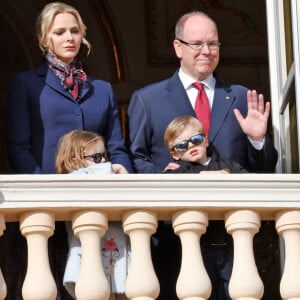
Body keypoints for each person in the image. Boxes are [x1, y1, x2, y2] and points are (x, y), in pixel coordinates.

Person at [126, 10, 278, 300]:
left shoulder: (239, 96)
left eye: (213, 44)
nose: (206, 51)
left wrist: (258, 140)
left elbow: (264, 171)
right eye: (197, 44)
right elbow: (135, 159)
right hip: (174, 237)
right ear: (177, 47)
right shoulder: (147, 99)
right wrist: (165, 178)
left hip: (236, 237)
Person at [4, 2, 132, 299]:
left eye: (74, 31)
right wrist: (43, 189)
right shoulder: (25, 85)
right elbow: (19, 145)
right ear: (43, 39)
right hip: (45, 208)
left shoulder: (102, 90)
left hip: (95, 205)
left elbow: (116, 146)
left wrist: (123, 170)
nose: (69, 37)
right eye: (59, 32)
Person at [56, 130, 129, 300]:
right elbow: (91, 174)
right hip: (91, 256)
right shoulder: (74, 178)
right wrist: (115, 168)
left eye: (104, 155)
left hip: (116, 254)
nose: (103, 161)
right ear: (75, 162)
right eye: (96, 158)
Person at [164, 115, 248, 174]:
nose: (191, 145)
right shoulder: (175, 170)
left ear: (206, 141)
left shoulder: (228, 165)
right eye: (182, 145)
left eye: (196, 139)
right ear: (175, 154)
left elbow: (248, 181)